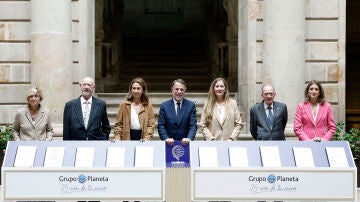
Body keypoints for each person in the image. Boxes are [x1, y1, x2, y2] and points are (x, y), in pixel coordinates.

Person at [158, 79, 197, 146]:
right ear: (172, 90)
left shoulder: (191, 105)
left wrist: (189, 138)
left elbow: (193, 125)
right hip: (169, 144)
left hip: (185, 144)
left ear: (185, 91)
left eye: (181, 89)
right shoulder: (164, 106)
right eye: (177, 89)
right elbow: (161, 125)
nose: (179, 92)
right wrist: (166, 138)